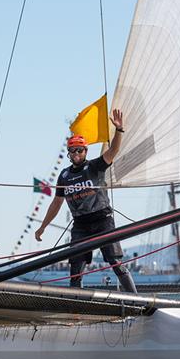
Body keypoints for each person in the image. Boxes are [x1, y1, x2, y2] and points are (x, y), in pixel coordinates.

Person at [35, 109, 137, 293]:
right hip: (81, 225)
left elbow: (113, 150)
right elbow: (56, 203)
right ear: (68, 152)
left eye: (79, 150)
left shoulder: (94, 166)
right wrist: (42, 227)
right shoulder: (64, 175)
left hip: (102, 220)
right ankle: (76, 305)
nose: (76, 153)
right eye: (72, 150)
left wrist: (119, 130)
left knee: (115, 262)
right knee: (75, 268)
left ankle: (136, 299)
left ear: (85, 151)